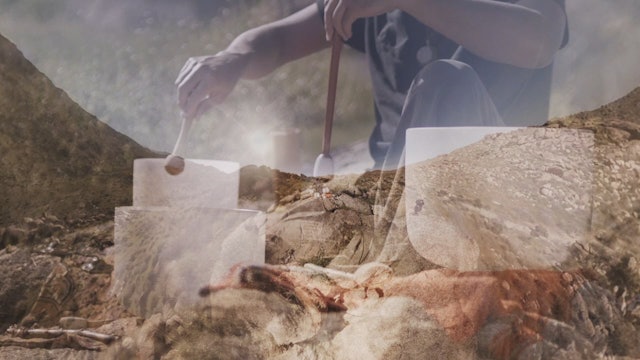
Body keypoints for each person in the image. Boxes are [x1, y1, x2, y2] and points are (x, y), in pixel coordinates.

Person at [176, 0, 568, 170]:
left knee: (445, 82)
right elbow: (278, 42)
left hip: (494, 190)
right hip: (392, 189)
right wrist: (233, 58)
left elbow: (539, 42)